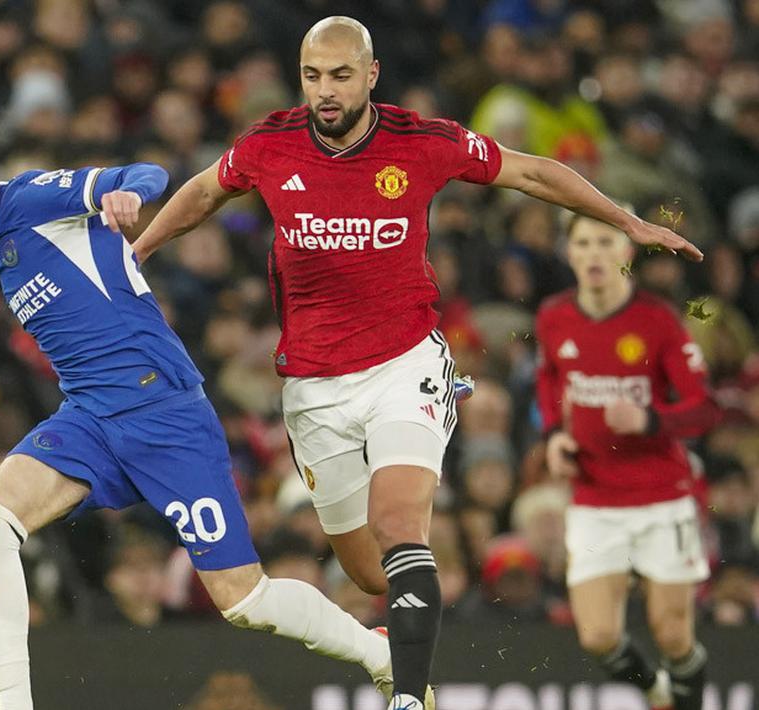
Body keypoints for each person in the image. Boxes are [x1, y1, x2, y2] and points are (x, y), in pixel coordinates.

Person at [131, 16, 703, 710]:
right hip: (312, 386)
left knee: (401, 525)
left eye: (341, 75)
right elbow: (203, 191)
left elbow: (529, 170)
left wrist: (625, 221)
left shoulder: (423, 142)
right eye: (312, 76)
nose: (325, 91)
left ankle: (406, 698)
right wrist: (139, 252)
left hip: (405, 365)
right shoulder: (268, 145)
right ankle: (390, 647)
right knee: (371, 574)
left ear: (371, 74)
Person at [0, 121, 416, 710]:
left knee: (243, 600)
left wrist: (127, 193)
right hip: (91, 416)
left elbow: (147, 173)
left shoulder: (33, 198)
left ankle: (380, 654)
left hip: (163, 412)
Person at [536, 213, 718, 710]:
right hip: (595, 498)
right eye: (583, 243)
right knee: (597, 636)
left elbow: (704, 407)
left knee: (673, 635)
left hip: (662, 495)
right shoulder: (554, 317)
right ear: (569, 253)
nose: (594, 253)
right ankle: (656, 693)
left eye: (605, 242)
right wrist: (554, 435)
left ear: (626, 253)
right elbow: (550, 378)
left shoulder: (657, 320)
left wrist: (650, 419)